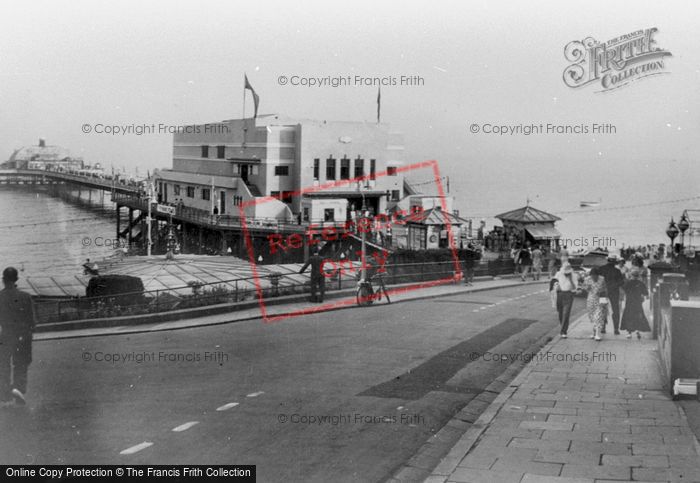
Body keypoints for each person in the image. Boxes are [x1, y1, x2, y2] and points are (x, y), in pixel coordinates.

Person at [0, 267, 36, 407]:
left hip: (5, 335)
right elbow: (32, 321)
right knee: (21, 363)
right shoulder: (26, 297)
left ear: (3, 280)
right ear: (16, 280)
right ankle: (18, 388)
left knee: (3, 365)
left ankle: (4, 393)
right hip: (22, 335)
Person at [597, 254, 625, 335]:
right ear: (615, 262)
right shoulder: (617, 271)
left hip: (603, 292)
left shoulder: (601, 269)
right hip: (614, 292)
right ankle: (616, 329)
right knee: (615, 310)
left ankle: (603, 327)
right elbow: (621, 282)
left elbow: (598, 281)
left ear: (607, 260)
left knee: (602, 309)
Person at [620, 268, 651, 339]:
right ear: (638, 276)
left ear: (631, 275)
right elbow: (645, 293)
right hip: (638, 302)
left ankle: (629, 333)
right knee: (637, 316)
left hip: (629, 302)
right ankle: (637, 331)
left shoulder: (628, 283)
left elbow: (623, 289)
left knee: (629, 316)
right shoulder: (641, 283)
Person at [550, 263, 578, 338]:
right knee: (560, 313)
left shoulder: (574, 276)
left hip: (569, 295)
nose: (566, 274)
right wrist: (556, 286)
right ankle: (563, 327)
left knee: (566, 313)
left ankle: (563, 331)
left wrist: (570, 279)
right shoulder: (558, 274)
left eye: (567, 273)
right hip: (559, 294)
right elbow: (553, 283)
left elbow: (574, 288)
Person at [583, 267, 608, 341]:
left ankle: (597, 334)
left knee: (598, 317)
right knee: (593, 317)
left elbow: (605, 289)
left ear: (598, 275)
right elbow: (584, 288)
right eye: (592, 276)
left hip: (600, 299)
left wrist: (605, 301)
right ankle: (594, 332)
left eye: (595, 276)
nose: (594, 277)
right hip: (591, 300)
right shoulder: (587, 279)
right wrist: (587, 287)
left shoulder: (602, 279)